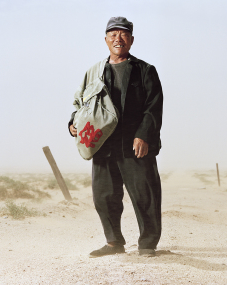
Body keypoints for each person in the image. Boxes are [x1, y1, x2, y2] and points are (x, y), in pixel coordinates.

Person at [68, 17, 163, 257]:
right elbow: (80, 103)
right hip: (103, 142)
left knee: (145, 194)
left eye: (123, 35)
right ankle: (114, 243)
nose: (117, 39)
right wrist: (72, 122)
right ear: (106, 39)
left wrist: (143, 135)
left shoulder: (145, 70)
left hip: (135, 143)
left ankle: (148, 244)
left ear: (131, 40)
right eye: (113, 35)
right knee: (104, 196)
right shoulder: (94, 72)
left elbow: (154, 107)